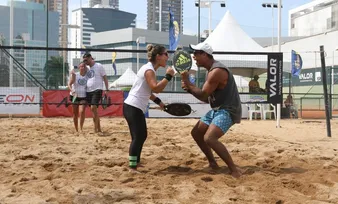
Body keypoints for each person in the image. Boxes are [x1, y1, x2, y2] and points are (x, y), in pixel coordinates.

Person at [181, 42, 243, 178]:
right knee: (196, 133)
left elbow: (203, 95)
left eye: (196, 53)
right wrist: (190, 88)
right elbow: (205, 98)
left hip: (228, 110)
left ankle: (234, 169)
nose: (193, 56)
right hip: (217, 109)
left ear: (205, 54)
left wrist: (189, 84)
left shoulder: (216, 71)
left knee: (210, 138)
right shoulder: (211, 71)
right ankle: (213, 164)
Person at [123, 44, 175, 171]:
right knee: (138, 136)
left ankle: (136, 162)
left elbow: (148, 92)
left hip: (133, 106)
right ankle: (132, 167)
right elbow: (156, 88)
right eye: (166, 54)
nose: (167, 57)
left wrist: (159, 102)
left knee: (141, 135)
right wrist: (168, 76)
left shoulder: (150, 69)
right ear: (158, 56)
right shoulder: (149, 70)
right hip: (133, 106)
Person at [82, 53, 109, 134]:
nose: (85, 62)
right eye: (84, 60)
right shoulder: (86, 68)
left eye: (86, 60)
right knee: (94, 111)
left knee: (93, 108)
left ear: (90, 58)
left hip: (97, 89)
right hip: (88, 91)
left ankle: (95, 129)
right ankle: (99, 128)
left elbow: (105, 77)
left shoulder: (98, 66)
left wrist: (107, 89)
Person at [68, 62, 88, 132]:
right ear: (79, 68)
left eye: (83, 66)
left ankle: (81, 128)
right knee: (75, 113)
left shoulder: (87, 76)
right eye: (81, 66)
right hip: (74, 96)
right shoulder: (75, 75)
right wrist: (72, 91)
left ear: (85, 68)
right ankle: (76, 129)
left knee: (82, 111)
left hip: (83, 96)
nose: (82, 68)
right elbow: (69, 84)